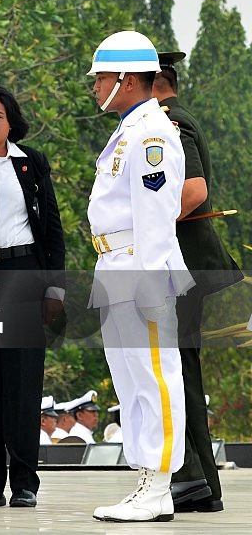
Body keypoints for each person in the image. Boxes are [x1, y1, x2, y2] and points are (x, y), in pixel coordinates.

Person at [87, 30, 194, 523]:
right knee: (131, 380)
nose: (95, 86)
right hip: (115, 264)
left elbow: (154, 214)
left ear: (127, 80)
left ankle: (160, 484)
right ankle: (146, 481)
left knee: (155, 376)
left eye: (101, 77)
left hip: (139, 265)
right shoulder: (130, 129)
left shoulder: (151, 132)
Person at [0, 85, 66, 509]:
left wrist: (54, 287)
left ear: (10, 121)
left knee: (22, 382)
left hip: (23, 273)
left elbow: (52, 229)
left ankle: (24, 481)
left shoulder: (31, 163)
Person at [153, 51, 242, 513]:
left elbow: (193, 190)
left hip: (178, 266)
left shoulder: (169, 123)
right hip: (180, 266)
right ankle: (199, 483)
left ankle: (192, 480)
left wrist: (146, 229)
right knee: (179, 371)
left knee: (173, 371)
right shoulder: (172, 118)